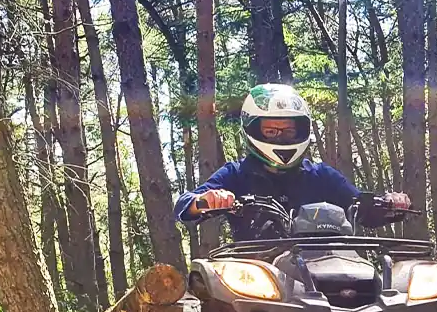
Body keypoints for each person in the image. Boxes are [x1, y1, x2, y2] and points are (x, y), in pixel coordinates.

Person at [174, 83, 409, 241]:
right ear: (252, 130)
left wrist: (390, 203)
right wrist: (205, 200)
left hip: (324, 267)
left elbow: (359, 207)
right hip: (255, 275)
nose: (281, 136)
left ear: (301, 129)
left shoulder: (321, 176)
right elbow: (184, 206)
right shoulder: (235, 174)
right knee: (210, 301)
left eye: (288, 129)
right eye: (271, 131)